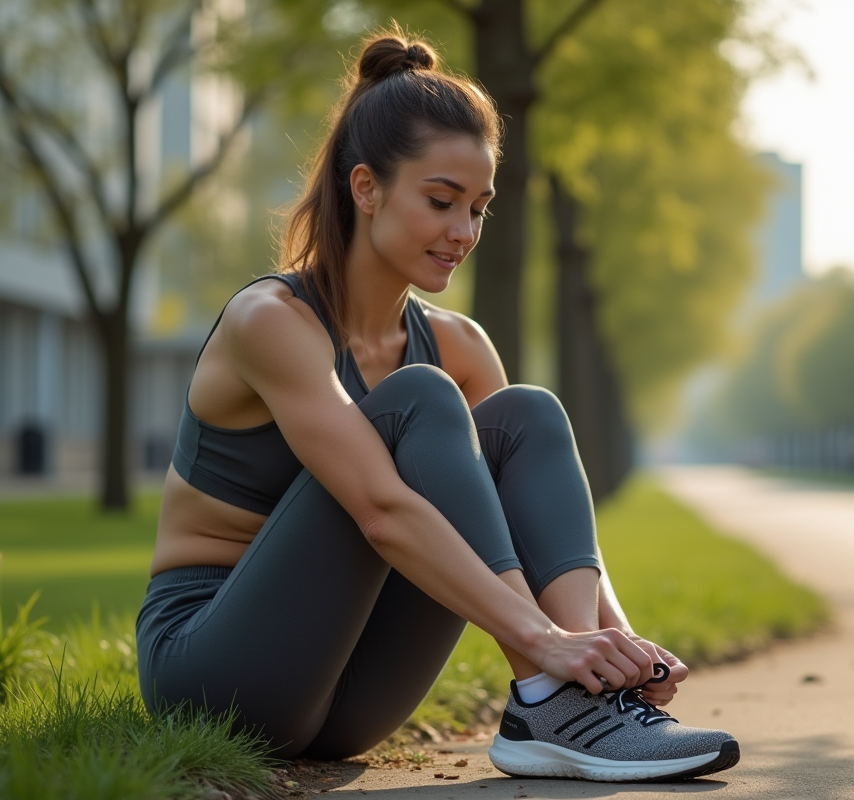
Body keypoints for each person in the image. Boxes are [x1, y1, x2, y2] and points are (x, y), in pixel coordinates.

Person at [135, 28, 739, 782]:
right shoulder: (272, 323)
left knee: (528, 415)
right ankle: (557, 695)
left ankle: (583, 708)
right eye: (442, 202)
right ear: (366, 189)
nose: (465, 233)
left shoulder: (457, 343)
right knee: (417, 399)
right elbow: (381, 510)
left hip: (351, 692)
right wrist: (546, 645)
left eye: (479, 208)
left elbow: (517, 521)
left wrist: (616, 646)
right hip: (216, 670)